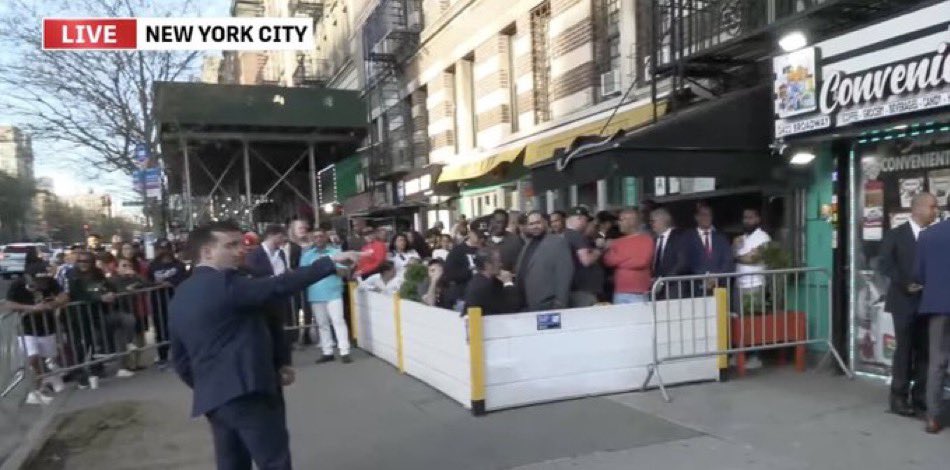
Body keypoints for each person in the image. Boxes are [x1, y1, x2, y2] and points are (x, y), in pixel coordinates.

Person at [169, 220, 362, 470]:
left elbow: (181, 358)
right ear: (207, 252)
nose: (242, 249)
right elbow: (279, 285)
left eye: (241, 243)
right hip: (250, 390)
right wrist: (329, 262)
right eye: (231, 245)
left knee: (231, 463)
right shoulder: (228, 284)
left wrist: (207, 385)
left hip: (214, 398)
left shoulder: (180, 295)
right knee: (274, 461)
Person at [879, 192, 937, 417]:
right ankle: (898, 398)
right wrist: (906, 283)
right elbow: (884, 264)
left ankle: (920, 397)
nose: (936, 211)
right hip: (903, 301)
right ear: (918, 209)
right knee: (904, 351)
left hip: (928, 302)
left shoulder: (934, 236)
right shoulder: (895, 235)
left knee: (925, 351)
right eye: (932, 207)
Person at [6, 262, 68, 405]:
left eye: (44, 280)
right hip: (26, 329)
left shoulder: (51, 282)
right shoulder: (18, 284)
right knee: (32, 358)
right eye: (39, 280)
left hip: (47, 327)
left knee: (49, 358)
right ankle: (35, 392)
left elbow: (64, 297)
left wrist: (52, 304)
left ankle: (50, 377)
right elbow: (8, 304)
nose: (42, 283)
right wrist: (32, 308)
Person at [915, 214, 950, 434]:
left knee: (937, 362)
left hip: (938, 307)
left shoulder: (928, 235)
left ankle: (933, 418)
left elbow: (918, 274)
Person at [245, 225, 298, 360]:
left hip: (280, 296)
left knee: (279, 327)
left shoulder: (280, 253)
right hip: (263, 297)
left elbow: (283, 270)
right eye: (281, 236)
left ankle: (279, 357)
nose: (283, 239)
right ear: (271, 235)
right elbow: (251, 276)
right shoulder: (255, 254)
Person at [301, 229, 352, 364]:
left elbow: (343, 272)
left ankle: (344, 350)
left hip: (333, 292)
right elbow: (303, 274)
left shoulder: (336, 252)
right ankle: (327, 351)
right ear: (313, 239)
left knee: (338, 320)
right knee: (322, 324)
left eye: (321, 236)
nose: (318, 239)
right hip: (315, 293)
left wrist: (333, 268)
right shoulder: (307, 255)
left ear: (325, 238)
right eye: (315, 237)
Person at [516, 211, 574, 310]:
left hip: (549, 304)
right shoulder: (527, 245)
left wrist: (560, 304)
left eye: (538, 223)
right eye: (531, 224)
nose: (535, 226)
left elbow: (565, 274)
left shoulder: (558, 242)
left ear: (546, 223)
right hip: (528, 304)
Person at [148, 239, 189, 368]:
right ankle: (163, 357)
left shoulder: (179, 265)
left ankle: (181, 356)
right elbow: (147, 281)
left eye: (166, 249)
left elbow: (183, 280)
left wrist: (171, 283)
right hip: (159, 302)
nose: (163, 252)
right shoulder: (153, 266)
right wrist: (156, 284)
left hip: (176, 301)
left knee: (178, 329)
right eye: (160, 249)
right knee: (160, 329)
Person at [603, 209, 655, 304]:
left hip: (639, 293)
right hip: (619, 292)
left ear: (631, 221)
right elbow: (608, 260)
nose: (619, 223)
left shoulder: (646, 240)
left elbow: (641, 262)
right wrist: (629, 258)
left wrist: (618, 262)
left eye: (622, 220)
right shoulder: (617, 242)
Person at [687, 203, 735, 295]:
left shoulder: (721, 238)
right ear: (696, 217)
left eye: (709, 215)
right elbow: (686, 262)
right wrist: (704, 278)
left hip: (719, 287)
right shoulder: (688, 238)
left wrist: (716, 277)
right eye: (703, 215)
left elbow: (728, 261)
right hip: (697, 288)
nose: (707, 217)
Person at [563, 208, 606, 307]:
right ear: (579, 218)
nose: (587, 223)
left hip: (573, 288)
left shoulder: (564, 235)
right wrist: (599, 249)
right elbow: (586, 260)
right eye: (586, 220)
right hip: (584, 290)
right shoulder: (576, 236)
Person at [462, 250, 522, 315]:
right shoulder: (485, 287)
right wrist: (508, 282)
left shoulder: (478, 280)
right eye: (498, 261)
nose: (501, 264)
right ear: (488, 265)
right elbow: (511, 307)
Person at [443, 221, 486, 309]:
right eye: (478, 234)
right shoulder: (458, 251)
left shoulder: (487, 251)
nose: (481, 238)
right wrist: (470, 271)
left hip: (484, 296)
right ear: (470, 233)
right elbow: (449, 274)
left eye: (483, 235)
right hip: (463, 296)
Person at [650, 207, 692, 299]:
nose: (651, 224)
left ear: (663, 220)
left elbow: (682, 263)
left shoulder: (680, 236)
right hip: (657, 290)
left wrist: (664, 280)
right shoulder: (654, 240)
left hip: (675, 287)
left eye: (653, 221)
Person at [734, 207, 772, 301]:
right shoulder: (741, 238)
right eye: (745, 218)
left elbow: (753, 258)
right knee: (739, 315)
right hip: (739, 284)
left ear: (758, 219)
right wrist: (734, 247)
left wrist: (736, 258)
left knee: (753, 315)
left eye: (750, 218)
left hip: (755, 284)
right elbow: (731, 255)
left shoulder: (763, 237)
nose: (746, 220)